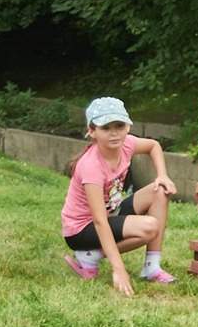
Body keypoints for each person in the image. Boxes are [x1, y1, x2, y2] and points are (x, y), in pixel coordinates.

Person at [61, 96, 178, 296]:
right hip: (81, 230)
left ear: (127, 126)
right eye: (105, 128)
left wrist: (162, 176)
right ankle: (89, 255)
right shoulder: (91, 166)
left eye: (119, 125)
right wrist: (119, 269)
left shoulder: (126, 144)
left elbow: (153, 146)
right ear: (92, 131)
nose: (114, 133)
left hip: (110, 213)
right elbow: (99, 221)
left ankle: (152, 267)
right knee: (150, 227)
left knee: (159, 190)